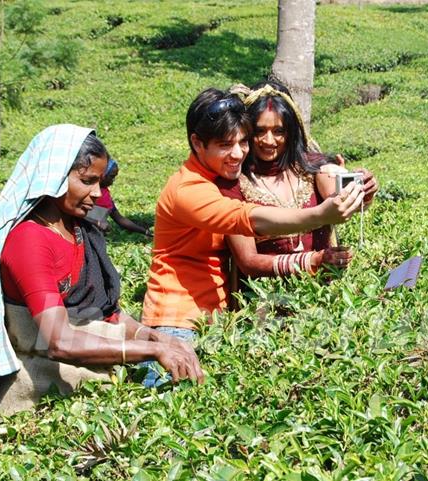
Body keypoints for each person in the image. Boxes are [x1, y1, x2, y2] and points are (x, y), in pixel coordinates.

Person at [0, 124, 203, 420]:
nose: (97, 194)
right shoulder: (30, 241)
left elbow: (105, 313)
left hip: (90, 390)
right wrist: (149, 352)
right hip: (40, 406)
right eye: (87, 181)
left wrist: (152, 337)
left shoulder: (80, 231)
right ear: (56, 177)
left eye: (99, 182)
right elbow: (59, 341)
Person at [140, 88, 365, 386]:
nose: (238, 153)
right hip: (177, 323)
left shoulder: (217, 177)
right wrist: (320, 217)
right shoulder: (189, 190)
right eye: (225, 144)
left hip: (214, 321)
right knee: (170, 412)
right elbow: (247, 219)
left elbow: (321, 168)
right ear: (197, 142)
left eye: (242, 141)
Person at [216, 81, 378, 280]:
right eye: (260, 131)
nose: (269, 140)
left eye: (278, 131)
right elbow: (248, 261)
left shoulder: (312, 167)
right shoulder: (232, 185)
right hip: (265, 301)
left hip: (322, 295)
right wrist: (311, 261)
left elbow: (336, 195)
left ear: (291, 132)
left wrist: (363, 192)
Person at [86, 158, 153, 238]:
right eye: (111, 176)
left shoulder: (106, 197)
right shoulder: (87, 193)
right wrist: (97, 223)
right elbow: (77, 215)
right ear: (102, 174)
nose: (113, 180)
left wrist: (144, 231)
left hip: (97, 237)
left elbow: (120, 219)